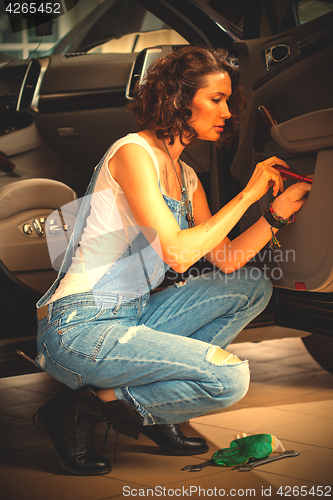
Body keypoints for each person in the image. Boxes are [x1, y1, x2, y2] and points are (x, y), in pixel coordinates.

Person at [33, 46, 311, 476]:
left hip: (136, 315)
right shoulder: (132, 154)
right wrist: (249, 194)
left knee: (252, 286)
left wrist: (276, 214)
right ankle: (81, 410)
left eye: (227, 101)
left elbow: (228, 259)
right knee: (229, 380)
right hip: (81, 326)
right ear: (180, 100)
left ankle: (144, 409)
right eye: (216, 100)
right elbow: (178, 252)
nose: (227, 112)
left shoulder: (186, 177)